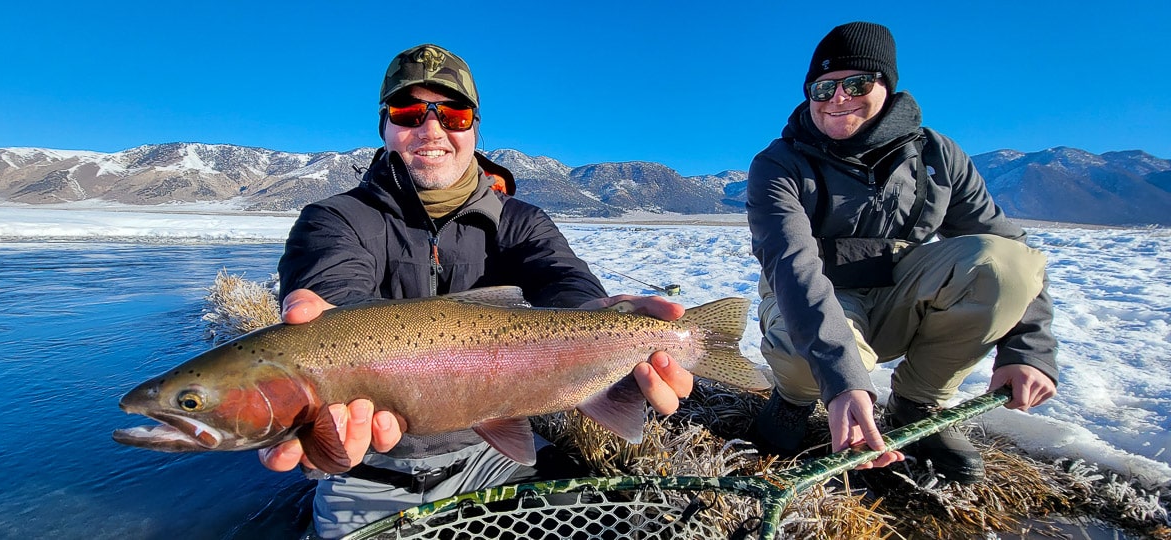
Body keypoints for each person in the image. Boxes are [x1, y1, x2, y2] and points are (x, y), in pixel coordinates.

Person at [255, 44, 694, 538]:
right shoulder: (334, 219)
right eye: (408, 112)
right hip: (365, 465)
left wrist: (597, 321)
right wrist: (323, 325)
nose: (432, 129)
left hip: (493, 456)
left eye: (454, 113)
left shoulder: (521, 221)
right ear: (384, 126)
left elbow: (563, 279)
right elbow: (332, 288)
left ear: (475, 127)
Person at [745, 22, 1058, 484]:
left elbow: (1011, 250)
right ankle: (795, 401)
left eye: (856, 84)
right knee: (802, 355)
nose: (837, 98)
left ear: (887, 88)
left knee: (1001, 266)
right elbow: (794, 268)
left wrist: (1028, 349)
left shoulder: (938, 156)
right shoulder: (778, 164)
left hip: (902, 297)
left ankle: (917, 403)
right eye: (822, 87)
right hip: (817, 301)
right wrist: (844, 382)